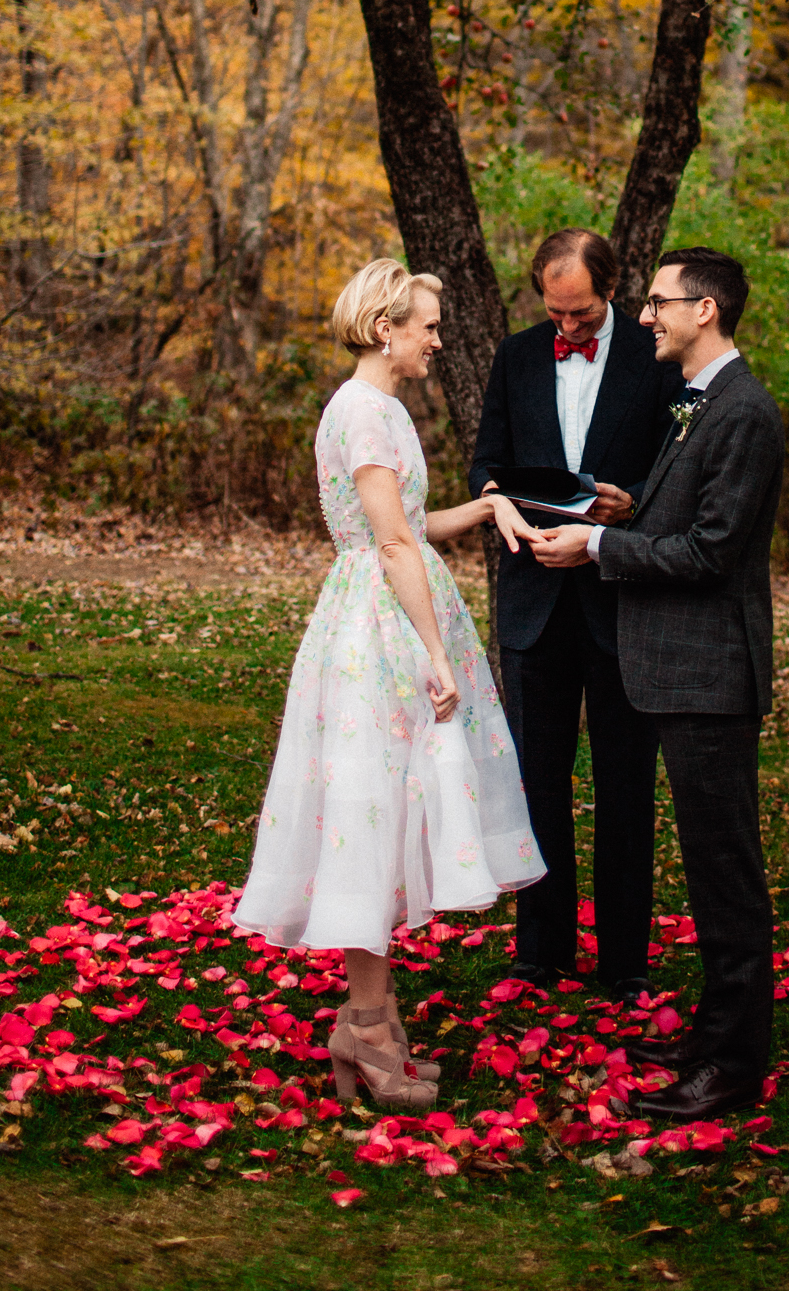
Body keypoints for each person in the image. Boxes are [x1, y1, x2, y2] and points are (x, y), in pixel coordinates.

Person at [234, 257, 547, 1109]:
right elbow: (395, 547)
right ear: (386, 329)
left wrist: (486, 508)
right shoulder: (365, 414)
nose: (438, 340)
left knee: (392, 808)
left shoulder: (382, 411)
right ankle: (367, 1026)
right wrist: (434, 651)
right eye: (427, 326)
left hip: (392, 609)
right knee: (375, 812)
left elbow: (414, 527)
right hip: (380, 628)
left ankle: (369, 1021)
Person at [531, 245, 784, 1120]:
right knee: (712, 866)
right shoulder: (699, 403)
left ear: (704, 310)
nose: (645, 317)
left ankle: (735, 1065)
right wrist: (627, 507)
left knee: (725, 872)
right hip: (682, 670)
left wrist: (599, 547)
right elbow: (685, 515)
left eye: (659, 303)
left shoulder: (744, 411)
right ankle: (714, 1035)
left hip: (711, 671)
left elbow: (713, 551)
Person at [470, 228, 681, 999]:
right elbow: (486, 461)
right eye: (556, 315)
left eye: (583, 315)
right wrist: (500, 508)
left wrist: (634, 509)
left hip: (622, 600)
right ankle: (541, 949)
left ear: (614, 288)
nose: (568, 329)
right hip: (533, 603)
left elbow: (676, 475)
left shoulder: (654, 357)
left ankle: (624, 961)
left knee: (627, 785)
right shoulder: (517, 355)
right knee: (537, 783)